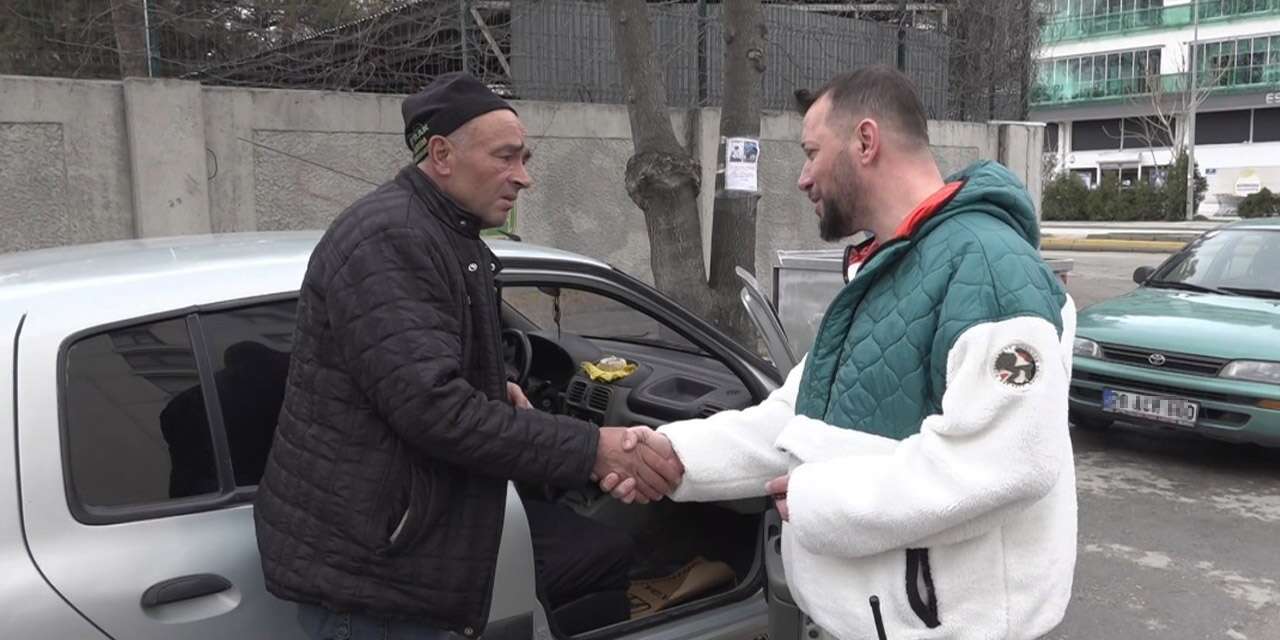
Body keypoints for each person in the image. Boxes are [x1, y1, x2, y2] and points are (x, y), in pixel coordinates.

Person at [602, 66, 1078, 640]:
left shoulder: (990, 271)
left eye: (811, 152)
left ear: (866, 141)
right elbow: (795, 420)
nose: (802, 178)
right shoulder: (887, 267)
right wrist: (676, 454)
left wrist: (817, 497)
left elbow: (1005, 466)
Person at [253, 72, 681, 640]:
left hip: (395, 564)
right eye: (506, 157)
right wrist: (593, 450)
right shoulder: (393, 239)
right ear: (442, 154)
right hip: (377, 586)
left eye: (525, 158)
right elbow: (434, 409)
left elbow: (414, 361)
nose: (524, 177)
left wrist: (492, 383)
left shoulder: (445, 234)